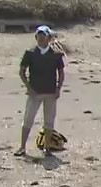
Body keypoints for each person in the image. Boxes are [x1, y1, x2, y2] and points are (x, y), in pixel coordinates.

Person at [15, 25, 65, 157]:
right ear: (36, 37)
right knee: (28, 119)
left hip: (50, 92)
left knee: (49, 121)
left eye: (44, 37)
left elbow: (61, 72)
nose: (41, 39)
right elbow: (21, 71)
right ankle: (22, 146)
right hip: (35, 92)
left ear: (49, 38)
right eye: (39, 37)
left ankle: (47, 147)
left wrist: (58, 89)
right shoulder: (30, 53)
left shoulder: (56, 54)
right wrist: (29, 88)